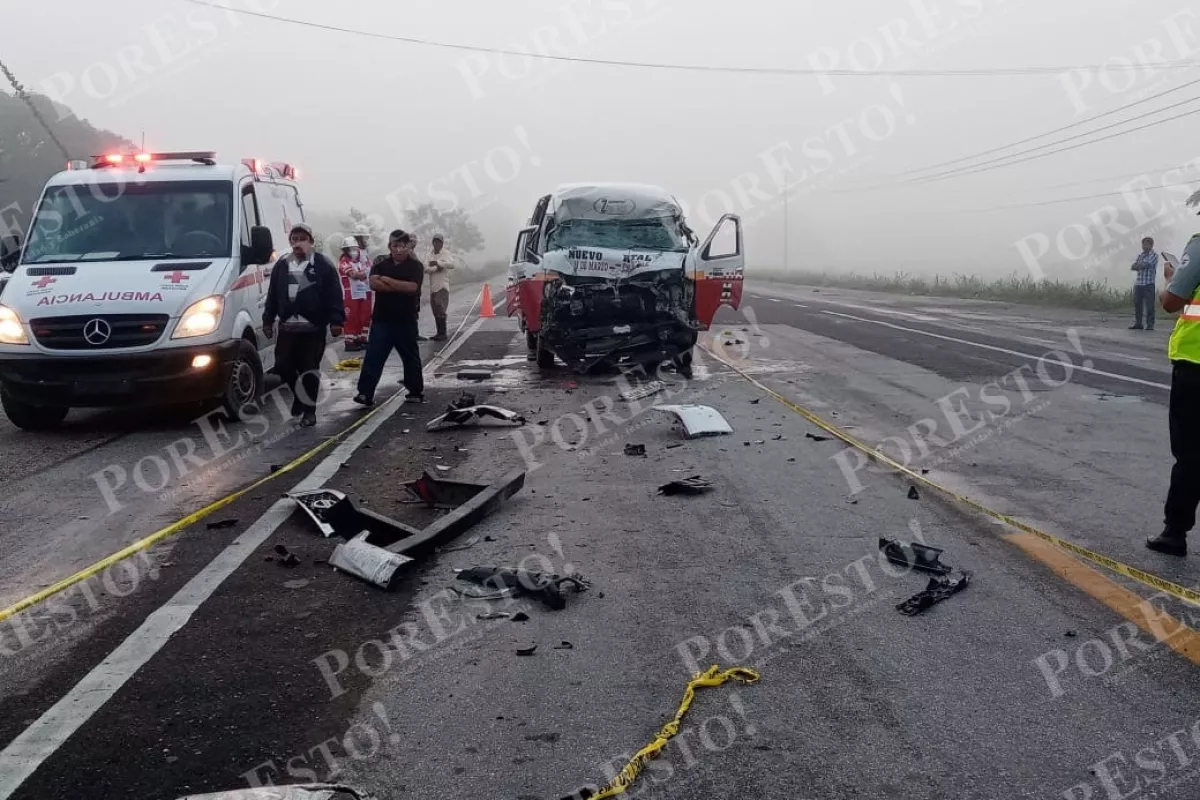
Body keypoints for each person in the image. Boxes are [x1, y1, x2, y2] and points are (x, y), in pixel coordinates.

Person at [1148, 233, 1200, 555]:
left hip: (1196, 365)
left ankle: (1174, 532)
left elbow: (1171, 302)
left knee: (1191, 454)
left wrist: (1170, 279)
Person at [263, 223, 345, 427]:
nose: (297, 243)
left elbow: (334, 294)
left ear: (311, 241)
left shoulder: (323, 265)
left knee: (309, 369)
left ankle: (309, 411)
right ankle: (299, 397)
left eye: (302, 239)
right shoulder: (282, 265)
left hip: (312, 327)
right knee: (282, 367)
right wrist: (267, 319)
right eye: (294, 239)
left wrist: (336, 321)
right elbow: (272, 294)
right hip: (287, 327)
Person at [354, 229, 425, 406]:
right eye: (395, 246)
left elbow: (412, 288)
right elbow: (373, 284)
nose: (399, 250)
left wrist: (387, 280)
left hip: (406, 320)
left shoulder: (415, 266)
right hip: (381, 320)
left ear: (408, 247)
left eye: (402, 246)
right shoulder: (380, 264)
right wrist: (398, 285)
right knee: (373, 356)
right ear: (390, 247)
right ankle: (365, 393)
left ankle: (415, 391)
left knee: (410, 358)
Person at [338, 235, 373, 351]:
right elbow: (355, 275)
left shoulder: (359, 260)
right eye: (350, 249)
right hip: (349, 295)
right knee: (351, 317)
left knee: (361, 317)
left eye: (355, 248)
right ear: (345, 250)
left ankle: (359, 339)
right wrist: (360, 274)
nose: (353, 251)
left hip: (360, 292)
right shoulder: (344, 262)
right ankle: (349, 342)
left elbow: (366, 272)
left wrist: (362, 274)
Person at [425, 233, 458, 341]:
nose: (437, 244)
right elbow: (426, 269)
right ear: (433, 243)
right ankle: (439, 332)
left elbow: (451, 264)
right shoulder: (429, 255)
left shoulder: (446, 253)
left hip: (442, 286)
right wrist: (436, 268)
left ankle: (443, 333)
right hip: (433, 286)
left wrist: (439, 263)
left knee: (440, 307)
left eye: (439, 242)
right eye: (435, 242)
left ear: (442, 243)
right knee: (435, 309)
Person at [1131, 236, 1159, 331]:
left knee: (1150, 305)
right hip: (1139, 283)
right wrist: (1138, 266)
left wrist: (1138, 265)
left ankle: (1150, 325)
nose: (1144, 246)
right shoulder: (1141, 255)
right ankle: (1138, 323)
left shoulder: (1154, 255)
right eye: (1143, 244)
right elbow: (1133, 266)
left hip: (1148, 284)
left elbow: (1144, 265)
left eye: (1147, 244)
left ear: (1151, 245)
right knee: (1137, 304)